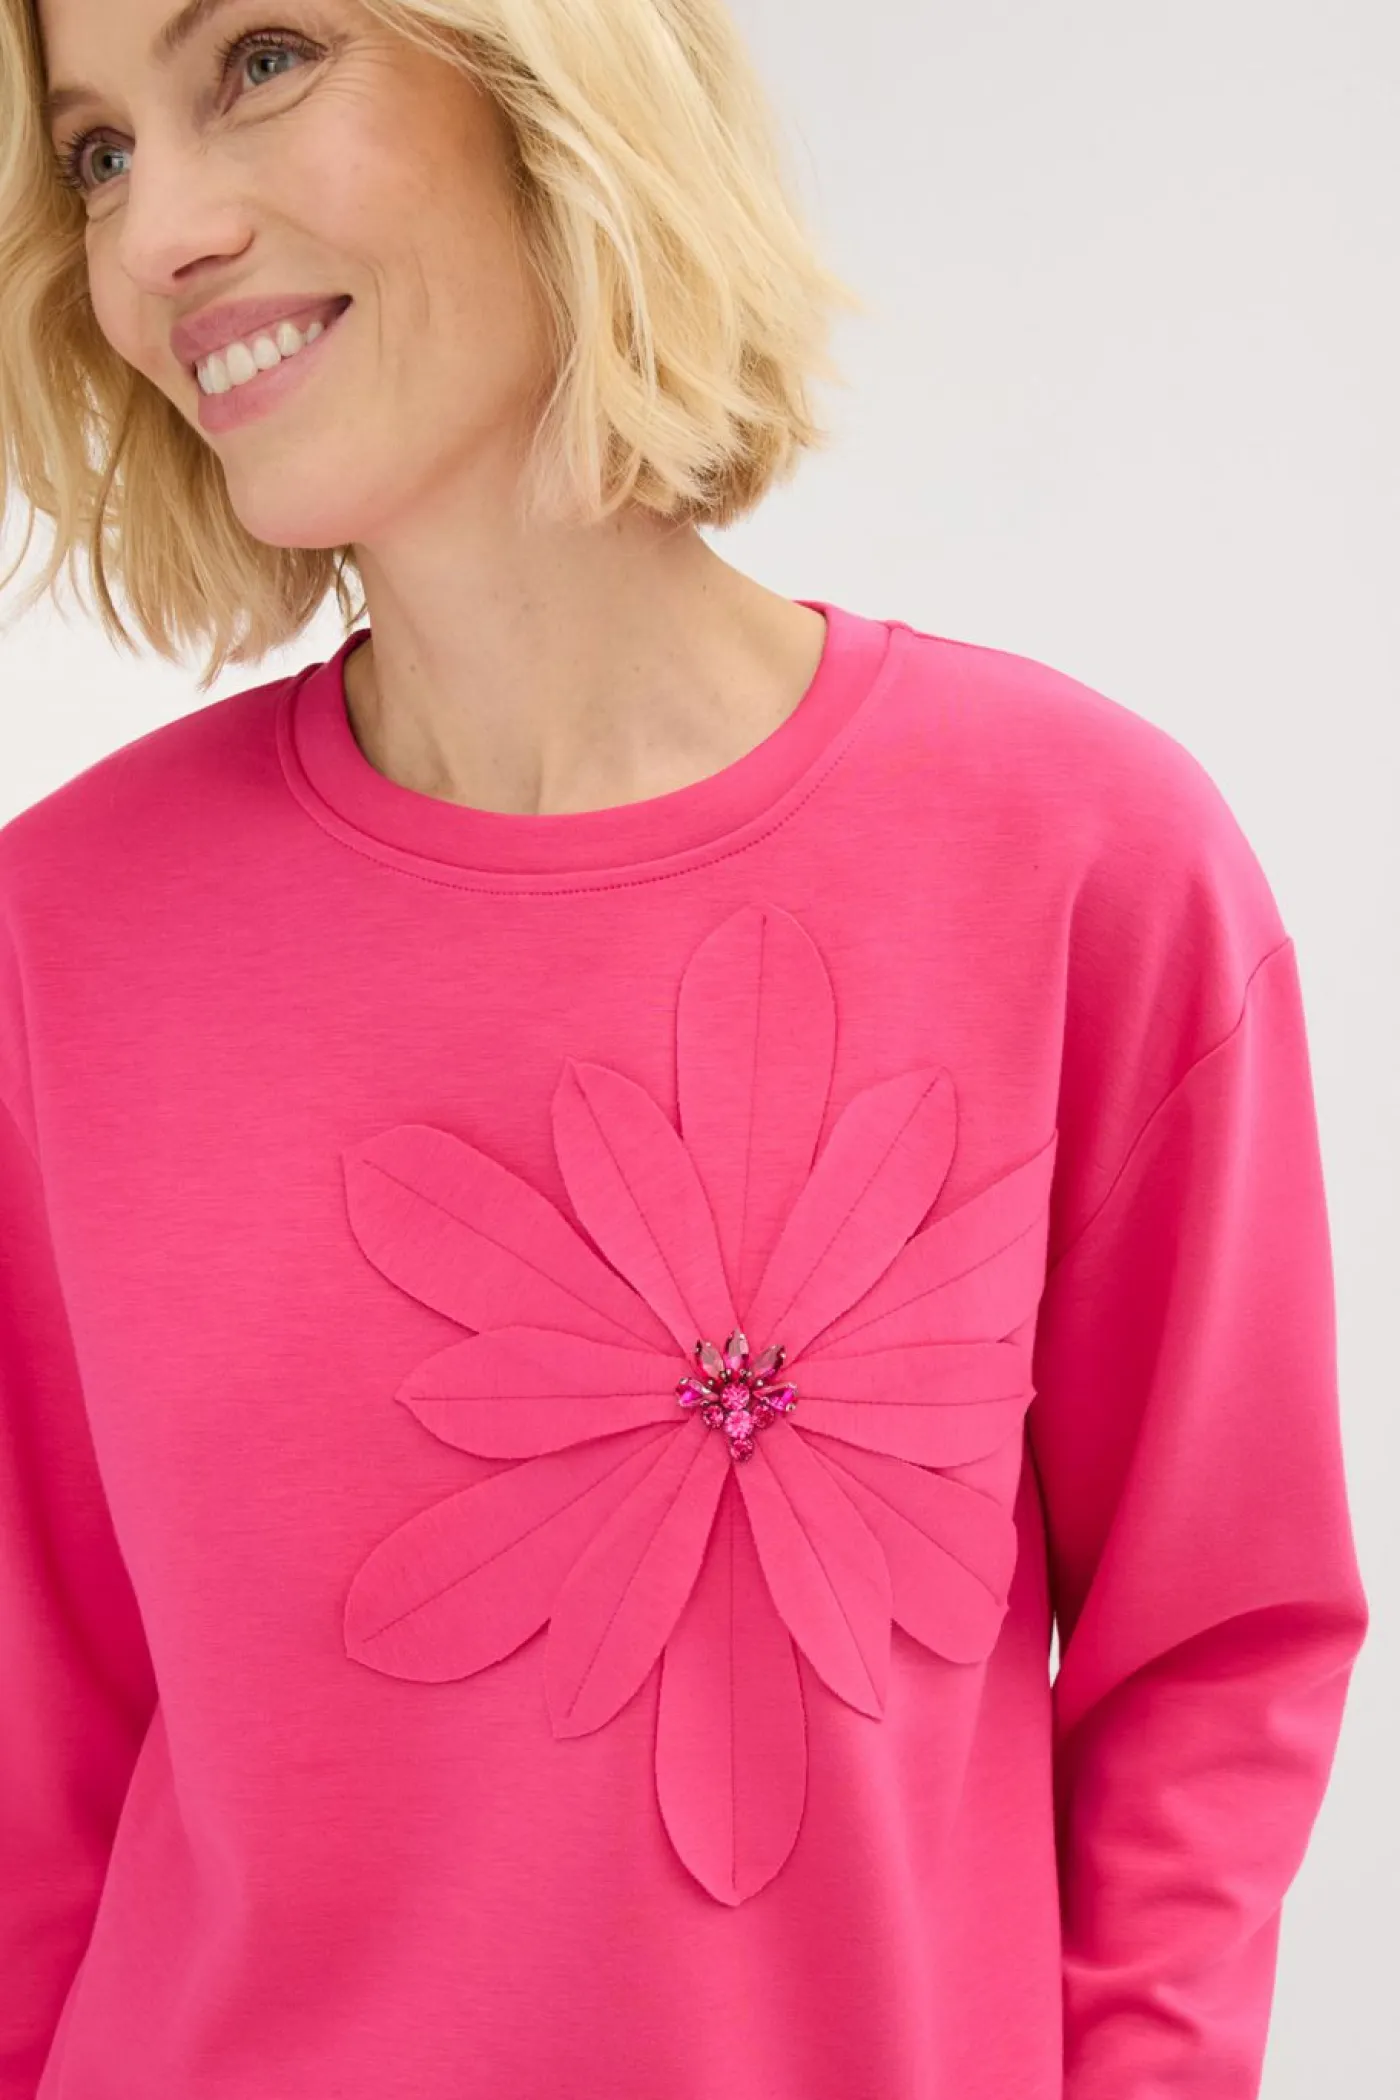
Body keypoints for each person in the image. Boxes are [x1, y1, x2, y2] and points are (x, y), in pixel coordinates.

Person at [0, 0, 1369, 2094]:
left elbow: (1216, 1649)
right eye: (97, 153)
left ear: (557, 75)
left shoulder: (1081, 863)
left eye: (260, 61)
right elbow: (31, 1766)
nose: (159, 230)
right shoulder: (57, 944)